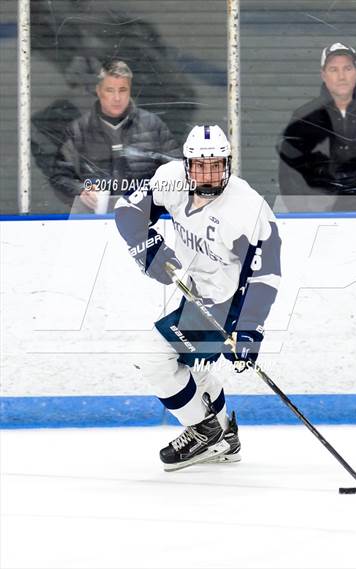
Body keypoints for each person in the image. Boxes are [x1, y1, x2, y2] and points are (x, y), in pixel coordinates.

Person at [115, 125, 281, 471]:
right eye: (200, 166)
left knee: (153, 357)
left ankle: (206, 434)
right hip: (195, 289)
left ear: (229, 163)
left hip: (225, 301)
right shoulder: (171, 179)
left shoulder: (247, 208)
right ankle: (224, 436)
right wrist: (148, 250)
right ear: (187, 164)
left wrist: (249, 328)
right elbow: (127, 211)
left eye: (217, 165)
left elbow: (265, 275)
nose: (208, 174)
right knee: (184, 364)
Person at [276, 42, 356, 210]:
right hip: (319, 219)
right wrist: (305, 217)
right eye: (334, 70)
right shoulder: (305, 118)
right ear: (323, 75)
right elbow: (289, 175)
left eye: (347, 68)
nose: (342, 76)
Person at [51, 60, 182, 212]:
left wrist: (154, 193)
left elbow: (178, 171)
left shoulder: (153, 125)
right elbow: (59, 178)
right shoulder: (78, 131)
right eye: (110, 90)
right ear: (98, 91)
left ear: (130, 90)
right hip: (94, 222)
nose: (117, 97)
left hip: (145, 218)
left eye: (122, 90)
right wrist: (80, 190)